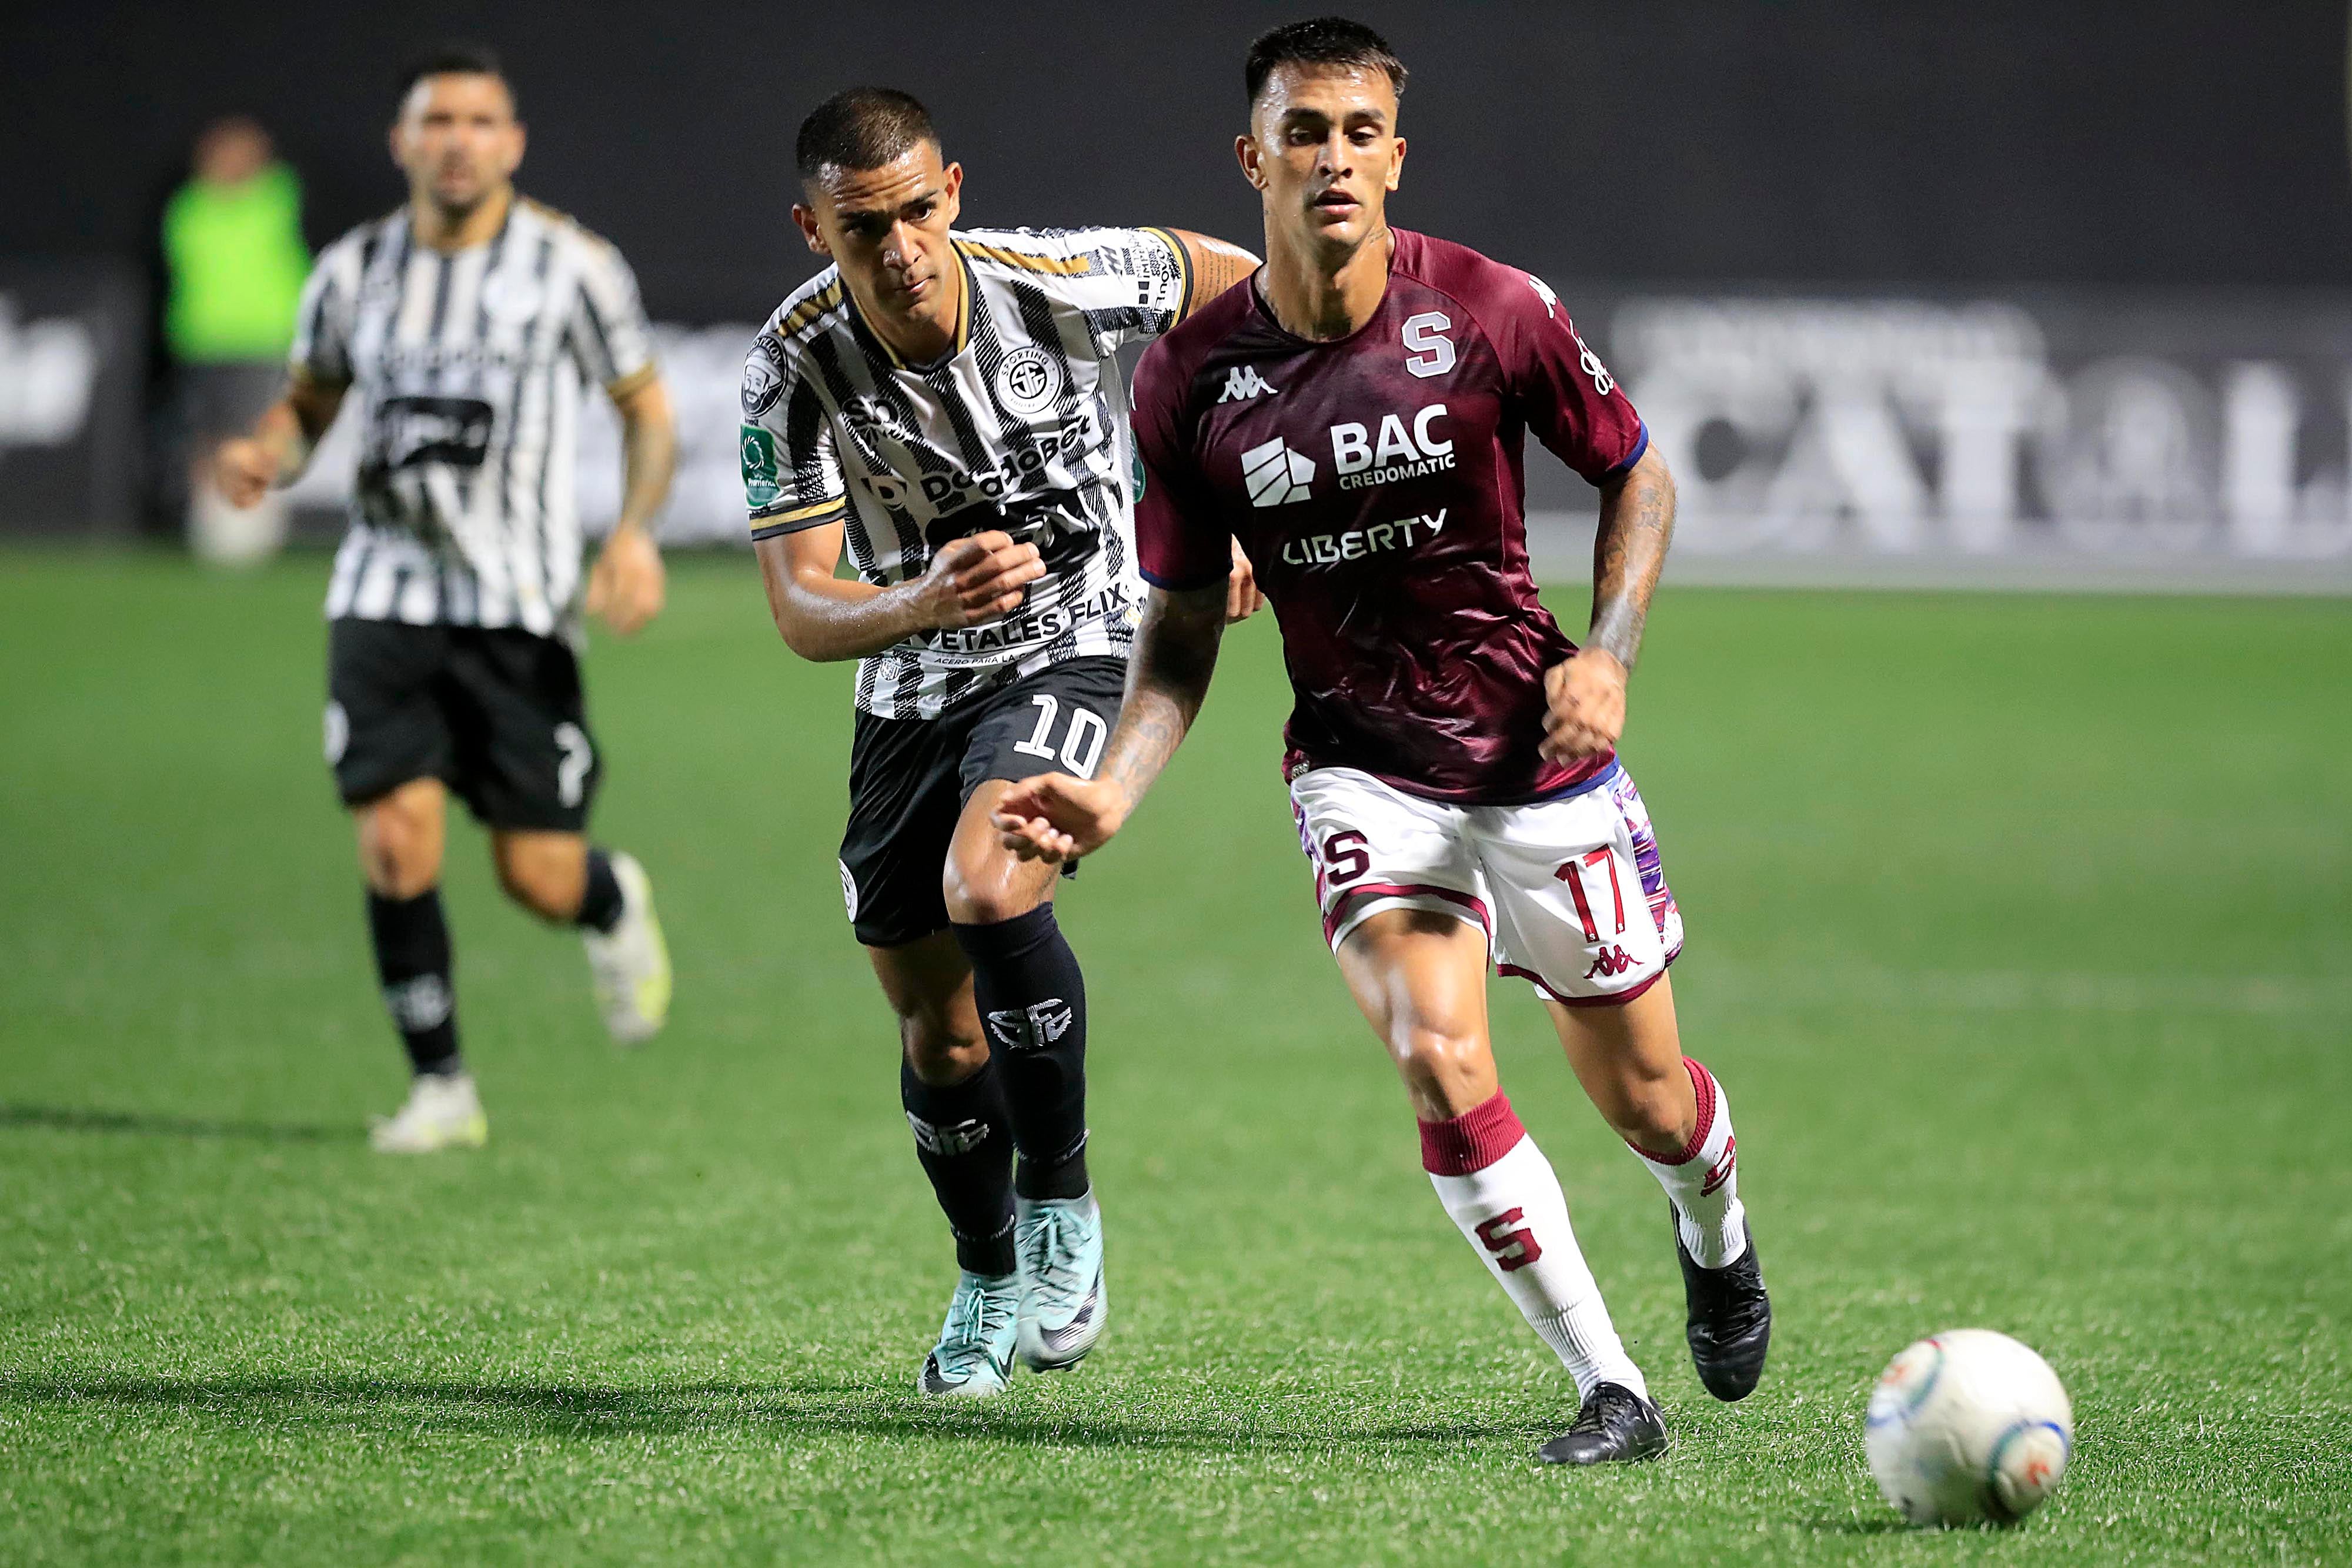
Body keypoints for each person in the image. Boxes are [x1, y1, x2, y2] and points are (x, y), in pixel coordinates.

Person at [994, 17, 1770, 1463]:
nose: (1333, 158)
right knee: (1436, 1052)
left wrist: (1606, 656)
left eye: (1359, 132)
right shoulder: (1184, 381)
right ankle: (1612, 1387)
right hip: (1360, 768)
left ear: (1396, 157)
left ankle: (1711, 1227)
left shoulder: (1488, 307)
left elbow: (1638, 473)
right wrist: (1112, 792)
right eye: (1303, 132)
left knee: (1649, 1102)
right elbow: (1178, 631)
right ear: (1253, 160)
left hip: (1535, 755)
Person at [744, 87, 1261, 1397]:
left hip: (1081, 635)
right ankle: (984, 1271)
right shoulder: (788, 368)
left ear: (955, 191)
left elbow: (1246, 287)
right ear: (814, 231)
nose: (902, 247)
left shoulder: (1064, 281)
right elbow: (801, 610)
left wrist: (1232, 498)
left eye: (919, 211)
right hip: (910, 684)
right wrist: (919, 600)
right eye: (864, 228)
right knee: (940, 1035)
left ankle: (1061, 1201)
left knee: (991, 883)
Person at [213, 44, 678, 1153]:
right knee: (394, 840)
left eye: (479, 121)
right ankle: (442, 1087)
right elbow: (310, 400)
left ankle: (609, 898)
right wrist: (270, 452)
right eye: (437, 121)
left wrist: (632, 532)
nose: (457, 141)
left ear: (511, 143)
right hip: (383, 595)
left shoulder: (573, 267)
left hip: (520, 607)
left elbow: (646, 412)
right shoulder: (352, 270)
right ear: (402, 142)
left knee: (537, 874)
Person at [162, 116, 312, 561]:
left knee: (258, 431)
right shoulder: (189, 207)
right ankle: (212, 525)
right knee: (207, 435)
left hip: (262, 338)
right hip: (202, 339)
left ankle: (255, 526)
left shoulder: (276, 198)